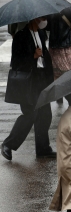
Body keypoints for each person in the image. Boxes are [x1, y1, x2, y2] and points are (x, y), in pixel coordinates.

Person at [1, 17, 55, 161]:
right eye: (42, 18)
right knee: (30, 114)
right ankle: (8, 144)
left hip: (42, 78)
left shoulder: (42, 34)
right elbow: (16, 62)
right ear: (33, 19)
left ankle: (43, 149)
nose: (44, 20)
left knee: (45, 114)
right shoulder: (21, 36)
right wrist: (33, 56)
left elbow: (44, 58)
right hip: (28, 81)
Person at [46, 0, 71, 103]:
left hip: (55, 46)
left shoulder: (48, 9)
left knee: (57, 72)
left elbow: (47, 28)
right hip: (69, 45)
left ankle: (59, 96)